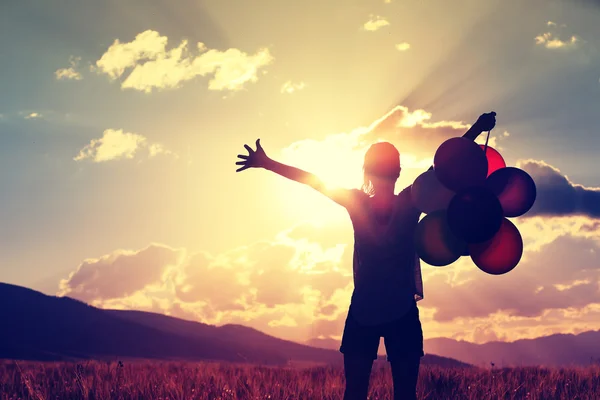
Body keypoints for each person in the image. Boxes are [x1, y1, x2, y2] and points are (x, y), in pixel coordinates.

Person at [235, 112, 497, 400]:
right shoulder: (411, 200)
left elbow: (313, 181)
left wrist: (267, 163)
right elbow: (444, 167)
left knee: (356, 393)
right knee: (404, 395)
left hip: (364, 309)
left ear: (367, 171)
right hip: (401, 311)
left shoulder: (359, 202)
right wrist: (476, 128)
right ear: (398, 171)